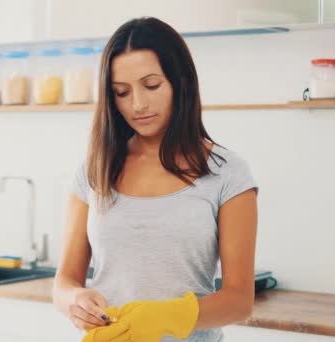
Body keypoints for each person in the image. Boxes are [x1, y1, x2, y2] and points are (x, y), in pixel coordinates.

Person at [52, 17, 259, 342]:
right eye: (121, 92)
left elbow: (239, 300)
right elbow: (64, 281)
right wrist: (74, 301)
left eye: (151, 85)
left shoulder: (228, 173)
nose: (138, 104)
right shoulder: (94, 170)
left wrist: (167, 317)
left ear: (180, 82)